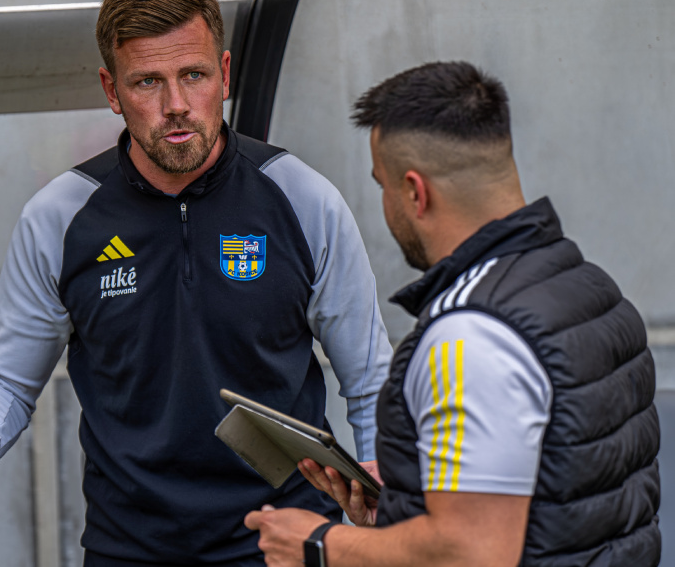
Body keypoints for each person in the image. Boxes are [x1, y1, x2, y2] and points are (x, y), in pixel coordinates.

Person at [0, 0, 393, 566]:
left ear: (225, 74)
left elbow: (369, 375)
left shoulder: (303, 199)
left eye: (194, 76)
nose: (176, 105)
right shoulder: (59, 216)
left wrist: (382, 479)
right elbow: (8, 376)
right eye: (148, 81)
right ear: (112, 89)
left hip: (283, 539)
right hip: (127, 547)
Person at [246, 61, 661, 567]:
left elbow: (471, 552)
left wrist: (318, 544)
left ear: (415, 192)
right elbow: (560, 498)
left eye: (382, 185)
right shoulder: (589, 288)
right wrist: (404, 510)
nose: (385, 204)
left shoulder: (471, 336)